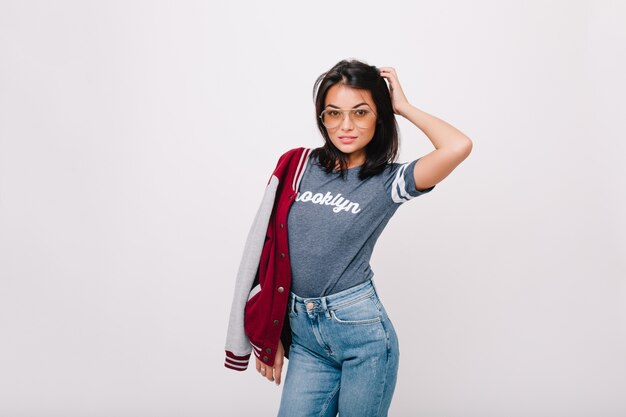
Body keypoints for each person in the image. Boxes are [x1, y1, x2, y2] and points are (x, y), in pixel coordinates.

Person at [224, 59, 472, 417]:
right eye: (333, 113)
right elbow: (270, 253)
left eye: (360, 112)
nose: (345, 126)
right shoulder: (299, 166)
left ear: (380, 117)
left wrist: (402, 106)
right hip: (306, 338)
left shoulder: (389, 183)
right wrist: (272, 328)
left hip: (362, 337)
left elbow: (458, 146)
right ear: (321, 118)